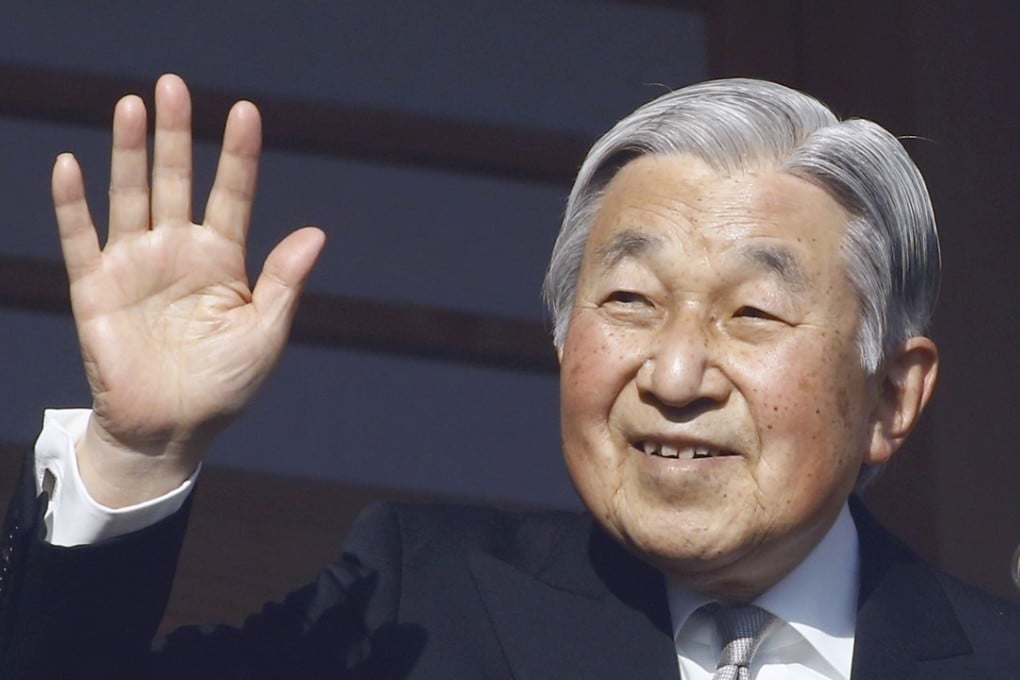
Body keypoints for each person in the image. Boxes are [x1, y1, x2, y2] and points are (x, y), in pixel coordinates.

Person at [1, 73, 1018, 678]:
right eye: (628, 300)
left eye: (752, 312)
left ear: (892, 394)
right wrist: (137, 452)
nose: (672, 372)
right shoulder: (427, 597)